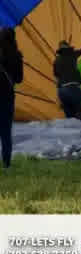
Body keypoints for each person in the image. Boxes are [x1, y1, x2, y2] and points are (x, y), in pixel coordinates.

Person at [53, 40, 81, 124]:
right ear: (68, 47)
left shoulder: (56, 60)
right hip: (72, 88)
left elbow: (56, 76)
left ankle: (72, 134)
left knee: (70, 117)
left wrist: (58, 95)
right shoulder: (72, 54)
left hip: (61, 91)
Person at [0, 27, 24, 169]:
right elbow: (19, 79)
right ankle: (6, 164)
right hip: (7, 96)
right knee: (5, 131)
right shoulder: (16, 55)